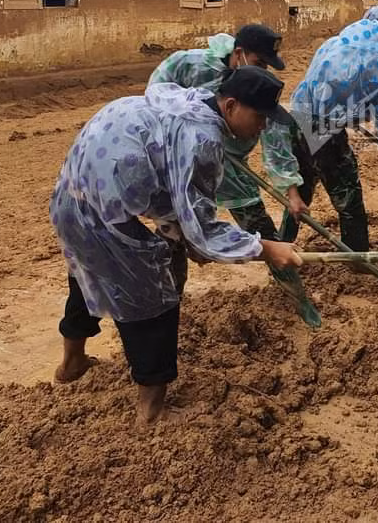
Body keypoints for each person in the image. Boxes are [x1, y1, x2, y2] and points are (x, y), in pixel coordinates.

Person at [52, 66, 302, 426]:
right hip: (105, 210)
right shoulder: (203, 138)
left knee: (90, 273)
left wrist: (185, 236)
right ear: (230, 105)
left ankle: (72, 364)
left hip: (72, 196)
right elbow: (201, 225)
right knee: (155, 297)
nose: (262, 127)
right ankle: (152, 412)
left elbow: (170, 192)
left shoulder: (185, 100)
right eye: (259, 116)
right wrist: (266, 248)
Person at [148, 25, 317, 326]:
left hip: (231, 166)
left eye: (267, 64)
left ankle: (298, 298)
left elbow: (274, 139)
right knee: (174, 237)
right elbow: (156, 94)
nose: (263, 69)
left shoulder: (259, 89)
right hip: (182, 164)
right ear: (238, 54)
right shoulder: (190, 65)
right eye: (259, 62)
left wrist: (291, 191)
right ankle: (168, 313)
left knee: (261, 229)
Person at [281, 16, 378, 252]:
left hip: (299, 116)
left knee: (301, 188)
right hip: (324, 130)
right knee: (349, 194)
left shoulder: (340, 42)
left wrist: (349, 114)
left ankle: (281, 244)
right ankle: (358, 257)